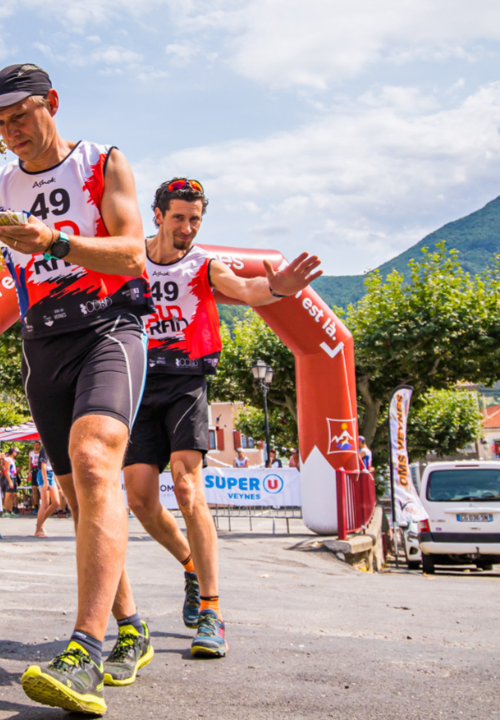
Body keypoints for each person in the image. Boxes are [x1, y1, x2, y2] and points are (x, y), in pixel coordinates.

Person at [0, 63, 154, 715]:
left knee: (95, 463)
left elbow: (133, 252)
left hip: (109, 327)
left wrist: (55, 241)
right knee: (78, 493)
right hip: (43, 342)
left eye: (20, 116)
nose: (10, 131)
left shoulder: (101, 162)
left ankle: (86, 651)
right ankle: (131, 628)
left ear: (52, 103)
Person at [120, 178, 323, 669]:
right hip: (139, 380)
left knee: (187, 486)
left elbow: (248, 289)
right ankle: (191, 564)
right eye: (179, 218)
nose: (187, 228)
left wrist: (278, 287)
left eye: (195, 219)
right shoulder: (131, 257)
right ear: (157, 215)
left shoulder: (204, 265)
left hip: (186, 380)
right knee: (141, 499)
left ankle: (212, 611)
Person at [31, 441, 60, 537]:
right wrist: (45, 481)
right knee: (45, 503)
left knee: (56, 502)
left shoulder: (56, 450)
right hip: (43, 474)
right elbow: (43, 466)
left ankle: (41, 523)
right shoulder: (46, 448)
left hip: (51, 474)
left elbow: (54, 467)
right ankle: (37, 530)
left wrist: (57, 482)